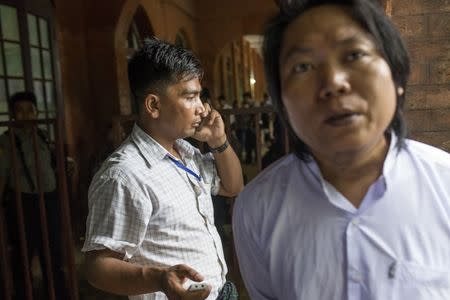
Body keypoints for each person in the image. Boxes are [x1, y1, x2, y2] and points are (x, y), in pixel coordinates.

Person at [232, 1, 450, 299]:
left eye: (354, 55)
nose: (333, 83)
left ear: (397, 77)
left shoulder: (444, 184)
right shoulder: (257, 208)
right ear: (282, 102)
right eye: (303, 67)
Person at [82, 38, 243, 300]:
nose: (202, 108)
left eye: (199, 96)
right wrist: (158, 279)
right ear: (154, 105)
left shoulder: (186, 151)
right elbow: (97, 266)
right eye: (190, 97)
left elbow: (232, 186)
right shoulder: (125, 175)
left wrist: (218, 141)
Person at [0, 91, 68, 299]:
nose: (26, 115)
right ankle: (23, 294)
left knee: (53, 253)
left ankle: (57, 294)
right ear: (12, 114)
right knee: (23, 255)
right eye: (20, 111)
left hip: (48, 201)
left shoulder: (42, 135)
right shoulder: (6, 141)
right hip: (23, 204)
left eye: (30, 110)